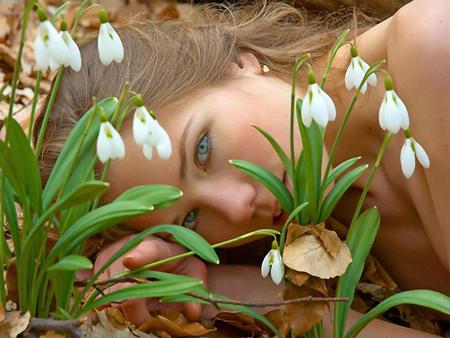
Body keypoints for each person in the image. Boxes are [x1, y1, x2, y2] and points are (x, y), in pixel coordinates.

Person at [34, 0, 449, 336]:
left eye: (202, 148)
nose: (238, 207)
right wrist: (250, 296)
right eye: (190, 220)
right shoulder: (337, 216)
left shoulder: (433, 45)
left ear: (238, 62)